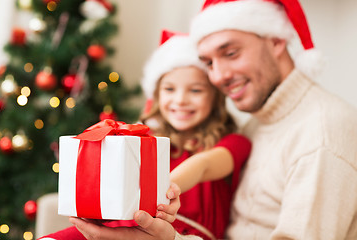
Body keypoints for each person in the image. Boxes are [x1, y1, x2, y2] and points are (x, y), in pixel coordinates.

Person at [69, 0, 357, 239]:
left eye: (230, 53)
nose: (218, 77)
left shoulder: (322, 133)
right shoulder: (257, 123)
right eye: (208, 63)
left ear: (277, 40)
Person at [40, 30, 251, 240]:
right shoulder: (143, 140)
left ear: (215, 98)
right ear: (157, 95)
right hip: (128, 224)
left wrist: (164, 189)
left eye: (195, 90)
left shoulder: (234, 142)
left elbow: (203, 165)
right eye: (169, 89)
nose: (180, 100)